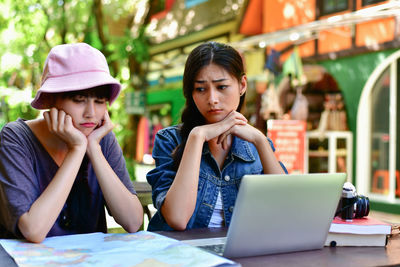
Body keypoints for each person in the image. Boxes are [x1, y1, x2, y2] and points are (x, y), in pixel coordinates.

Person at [0, 43, 143, 243]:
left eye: (100, 101)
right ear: (51, 99)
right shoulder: (16, 138)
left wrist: (94, 149)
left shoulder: (100, 137)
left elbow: (133, 221)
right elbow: (33, 230)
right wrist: (77, 150)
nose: (91, 113)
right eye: (79, 99)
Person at [146, 41, 287, 231]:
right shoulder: (170, 140)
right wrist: (197, 137)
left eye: (221, 87)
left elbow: (285, 207)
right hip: (181, 255)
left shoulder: (256, 143)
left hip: (239, 253)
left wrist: (261, 141)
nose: (212, 99)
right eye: (201, 89)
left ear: (242, 85)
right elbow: (177, 219)